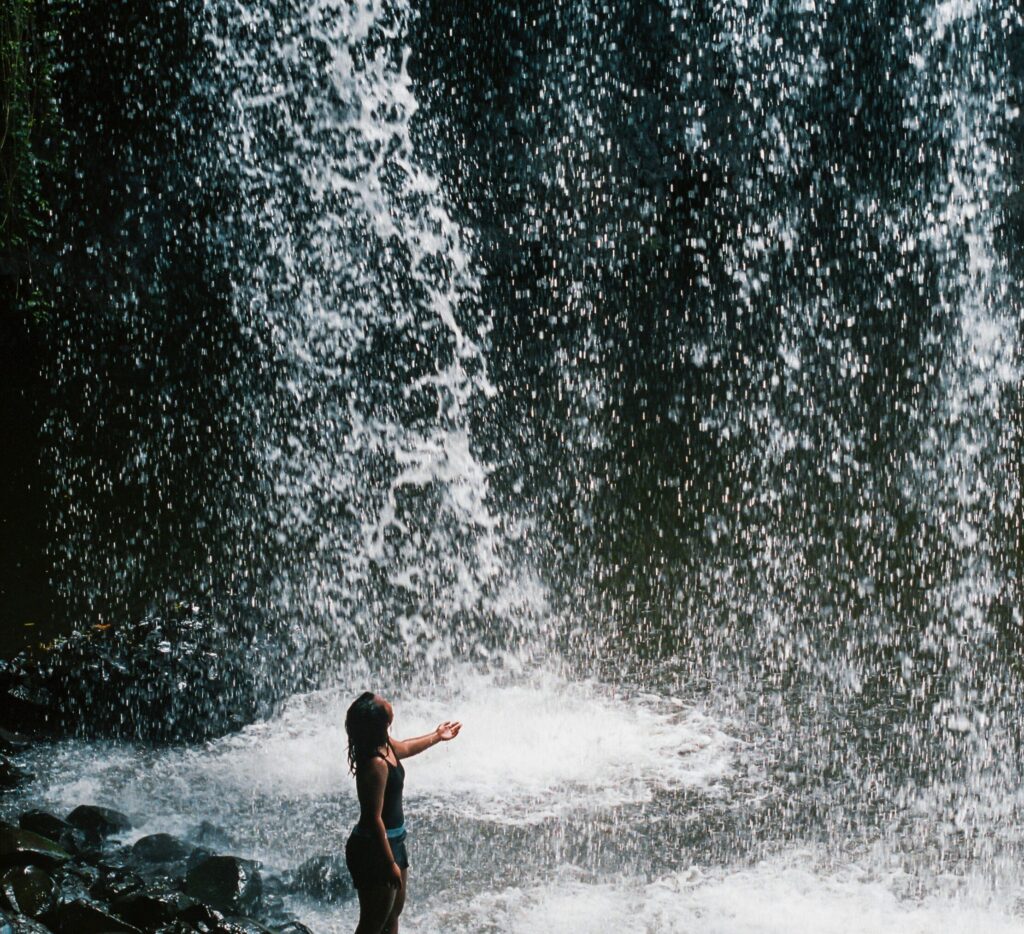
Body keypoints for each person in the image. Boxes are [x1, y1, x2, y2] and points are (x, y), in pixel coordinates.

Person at [344, 691, 462, 934]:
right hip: (374, 848)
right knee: (373, 922)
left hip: (394, 840)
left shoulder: (384, 744)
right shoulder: (375, 763)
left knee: (392, 915)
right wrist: (389, 863)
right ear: (381, 720)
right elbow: (373, 818)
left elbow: (407, 746)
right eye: (382, 702)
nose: (387, 701)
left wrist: (438, 736)